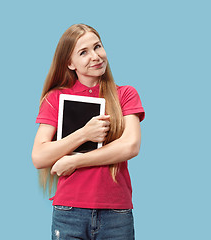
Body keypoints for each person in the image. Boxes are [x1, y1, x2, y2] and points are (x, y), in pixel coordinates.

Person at [32, 24, 145, 240]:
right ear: (69, 63)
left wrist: (74, 162)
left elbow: (131, 146)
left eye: (97, 47)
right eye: (83, 52)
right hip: (69, 213)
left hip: (116, 213)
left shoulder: (125, 95)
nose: (95, 56)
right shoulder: (55, 99)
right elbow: (39, 156)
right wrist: (84, 134)